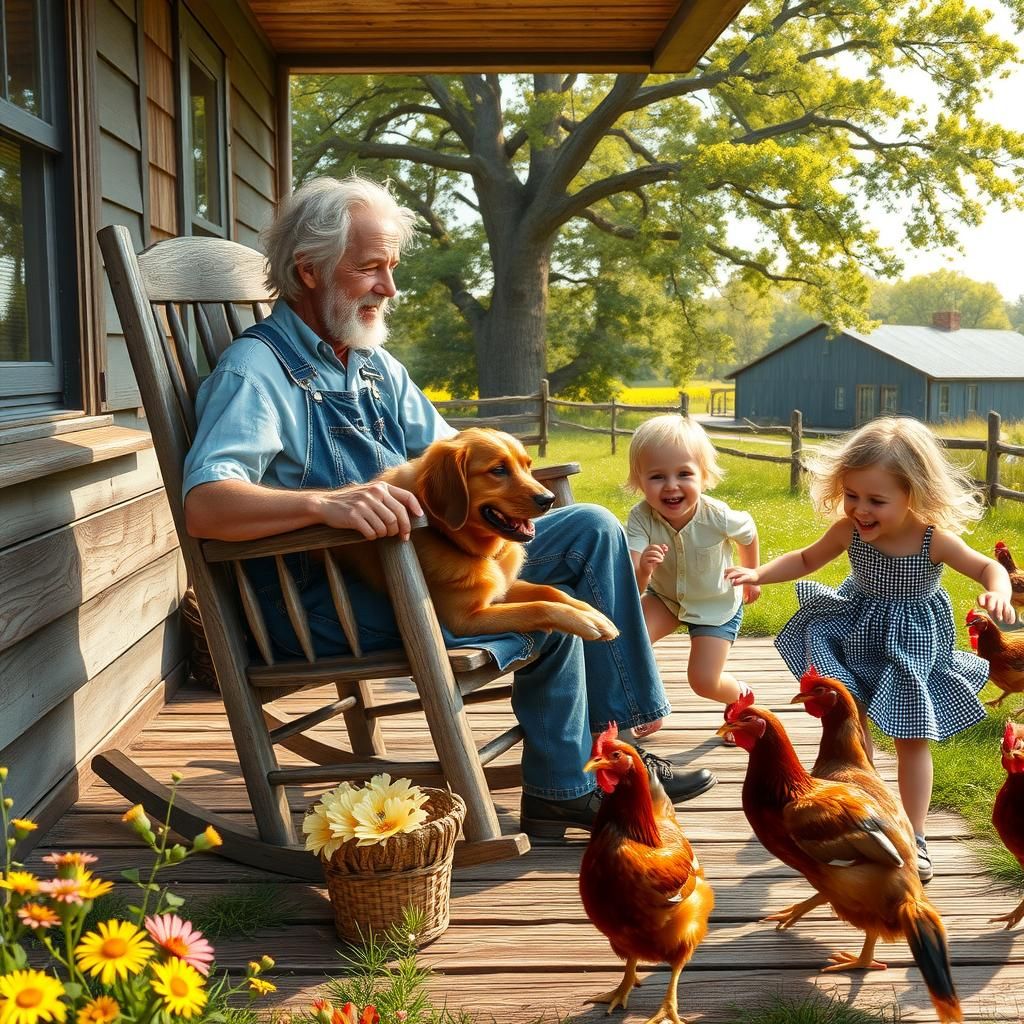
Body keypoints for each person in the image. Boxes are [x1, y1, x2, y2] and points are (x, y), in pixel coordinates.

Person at [181, 174, 716, 840]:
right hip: (326, 602)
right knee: (550, 619)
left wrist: (505, 481)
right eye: (370, 268)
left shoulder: (373, 365)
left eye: (391, 269)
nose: (389, 288)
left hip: (417, 569)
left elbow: (453, 458)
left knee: (589, 531)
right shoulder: (255, 373)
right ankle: (565, 787)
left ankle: (619, 748)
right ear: (308, 271)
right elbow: (205, 504)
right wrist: (327, 503)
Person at [725, 415, 1015, 882]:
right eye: (852, 496)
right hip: (855, 631)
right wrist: (759, 574)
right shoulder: (849, 532)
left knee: (912, 738)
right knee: (851, 730)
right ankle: (866, 815)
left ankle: (914, 835)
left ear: (914, 494)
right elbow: (805, 559)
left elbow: (986, 568)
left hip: (912, 646)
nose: (861, 510)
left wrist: (997, 590)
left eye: (876, 500)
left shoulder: (931, 539)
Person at [625, 415, 761, 732]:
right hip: (666, 598)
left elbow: (748, 532)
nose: (671, 485)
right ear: (639, 481)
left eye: (684, 474)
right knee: (628, 643)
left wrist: (751, 573)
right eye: (657, 476)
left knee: (703, 680)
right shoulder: (640, 518)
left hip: (716, 605)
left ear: (703, 476)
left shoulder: (717, 516)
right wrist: (644, 568)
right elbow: (633, 582)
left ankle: (740, 697)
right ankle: (649, 707)